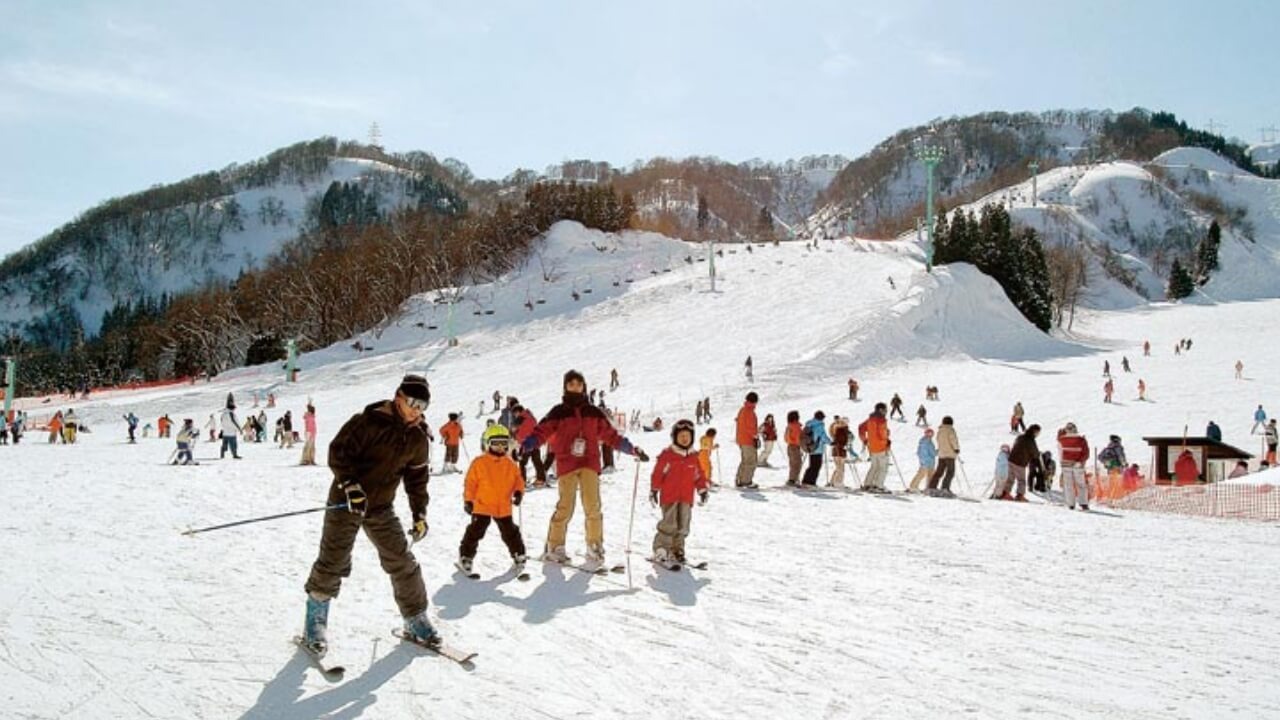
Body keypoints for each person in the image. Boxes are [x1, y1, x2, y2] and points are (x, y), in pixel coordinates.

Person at [303, 374, 436, 655]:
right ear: (398, 396)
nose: (416, 409)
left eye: (422, 405)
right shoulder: (367, 421)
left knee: (401, 560)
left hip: (381, 507)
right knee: (333, 561)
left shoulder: (418, 438)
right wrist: (350, 485)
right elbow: (338, 453)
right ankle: (315, 622)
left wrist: (419, 514)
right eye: (412, 402)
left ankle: (415, 618)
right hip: (347, 501)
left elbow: (417, 479)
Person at [520, 370, 647, 567]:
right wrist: (527, 444)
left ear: (584, 387)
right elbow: (542, 431)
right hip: (567, 463)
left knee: (592, 506)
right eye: (571, 384)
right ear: (565, 387)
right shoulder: (558, 412)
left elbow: (611, 436)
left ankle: (594, 546)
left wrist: (631, 449)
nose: (575, 387)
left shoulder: (593, 412)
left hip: (589, 462)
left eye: (579, 384)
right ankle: (555, 546)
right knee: (565, 506)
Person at [456, 424, 527, 575]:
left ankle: (518, 554)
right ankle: (466, 557)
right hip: (483, 504)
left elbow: (518, 480)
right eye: (496, 443)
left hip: (503, 506)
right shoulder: (479, 462)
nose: (500, 447)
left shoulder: (510, 464)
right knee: (475, 531)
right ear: (488, 444)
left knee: (510, 532)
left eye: (503, 443)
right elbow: (470, 483)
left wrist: (519, 492)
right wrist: (468, 500)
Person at [650, 419, 709, 567]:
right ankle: (661, 549)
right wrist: (654, 489)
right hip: (669, 496)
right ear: (675, 437)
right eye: (681, 436)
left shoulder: (693, 457)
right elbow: (658, 474)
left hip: (686, 497)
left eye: (687, 436)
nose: (684, 438)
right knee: (669, 524)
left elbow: (698, 475)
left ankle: (677, 549)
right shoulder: (668, 455)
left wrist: (702, 489)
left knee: (683, 525)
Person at [857, 403, 891, 493]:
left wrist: (865, 439)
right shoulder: (881, 420)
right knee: (883, 467)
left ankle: (868, 484)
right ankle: (878, 486)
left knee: (874, 466)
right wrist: (886, 441)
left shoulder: (870, 419)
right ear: (880, 410)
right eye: (885, 410)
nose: (886, 411)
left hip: (872, 447)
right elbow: (881, 434)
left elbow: (861, 427)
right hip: (881, 447)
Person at [1004, 425, 1043, 501]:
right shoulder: (1031, 441)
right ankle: (1020, 495)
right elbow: (1035, 453)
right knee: (1021, 480)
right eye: (1038, 432)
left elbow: (1015, 444)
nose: (1038, 434)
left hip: (1011, 460)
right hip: (1020, 463)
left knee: (1010, 478)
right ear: (1034, 432)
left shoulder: (1020, 437)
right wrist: (1038, 454)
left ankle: (1005, 493)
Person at [1057, 422, 1090, 510]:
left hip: (1066, 464)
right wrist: (1081, 461)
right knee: (1081, 484)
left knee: (1068, 484)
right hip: (1078, 464)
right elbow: (1086, 453)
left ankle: (1071, 504)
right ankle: (1083, 503)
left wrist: (1062, 462)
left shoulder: (1062, 440)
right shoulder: (1081, 440)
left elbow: (1060, 451)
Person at [928, 416, 960, 497]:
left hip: (941, 454)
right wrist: (956, 449)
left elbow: (938, 440)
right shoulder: (950, 430)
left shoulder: (940, 430)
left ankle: (932, 487)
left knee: (939, 471)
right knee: (950, 472)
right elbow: (953, 440)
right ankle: (945, 488)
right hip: (949, 454)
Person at [734, 392, 760, 489]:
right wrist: (756, 435)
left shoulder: (743, 410)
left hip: (741, 439)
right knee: (751, 461)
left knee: (745, 460)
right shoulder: (749, 411)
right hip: (748, 440)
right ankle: (746, 481)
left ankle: (739, 479)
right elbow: (750, 427)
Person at [800, 411, 832, 487]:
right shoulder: (819, 425)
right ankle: (810, 482)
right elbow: (822, 436)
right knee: (816, 466)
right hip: (817, 448)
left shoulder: (809, 424)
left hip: (810, 447)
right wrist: (830, 442)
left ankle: (805, 481)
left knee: (812, 465)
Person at [908, 428, 937, 493]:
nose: (930, 435)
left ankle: (928, 487)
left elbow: (919, 452)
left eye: (931, 434)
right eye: (929, 434)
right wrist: (938, 451)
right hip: (927, 462)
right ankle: (913, 486)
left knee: (929, 475)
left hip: (928, 462)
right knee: (922, 474)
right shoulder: (927, 442)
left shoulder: (924, 442)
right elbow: (932, 453)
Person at [829, 415, 851, 488]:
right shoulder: (841, 430)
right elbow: (839, 441)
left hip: (838, 450)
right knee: (840, 468)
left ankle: (833, 481)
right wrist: (844, 446)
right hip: (839, 451)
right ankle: (838, 483)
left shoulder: (839, 429)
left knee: (838, 467)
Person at [220, 395, 242, 460]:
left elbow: (221, 421)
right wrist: (239, 429)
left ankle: (222, 454)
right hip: (231, 432)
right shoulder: (231, 414)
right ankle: (234, 454)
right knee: (233, 444)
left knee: (224, 445)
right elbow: (234, 422)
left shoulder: (223, 414)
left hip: (225, 432)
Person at [784, 410, 803, 486]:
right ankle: (793, 480)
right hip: (795, 446)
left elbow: (785, 437)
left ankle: (792, 478)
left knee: (792, 463)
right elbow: (798, 437)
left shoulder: (789, 426)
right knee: (797, 463)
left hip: (789, 445)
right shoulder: (796, 426)